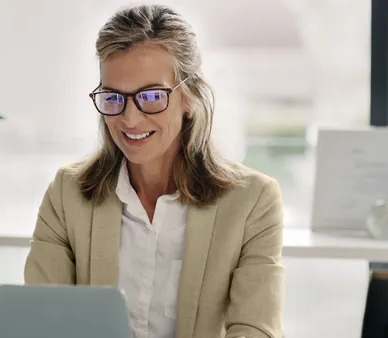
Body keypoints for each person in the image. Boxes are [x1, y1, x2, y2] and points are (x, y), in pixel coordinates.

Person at [24, 4, 284, 338]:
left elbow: (255, 330)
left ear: (189, 97)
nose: (130, 119)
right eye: (114, 97)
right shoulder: (66, 194)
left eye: (151, 96)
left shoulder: (254, 202)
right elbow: (44, 321)